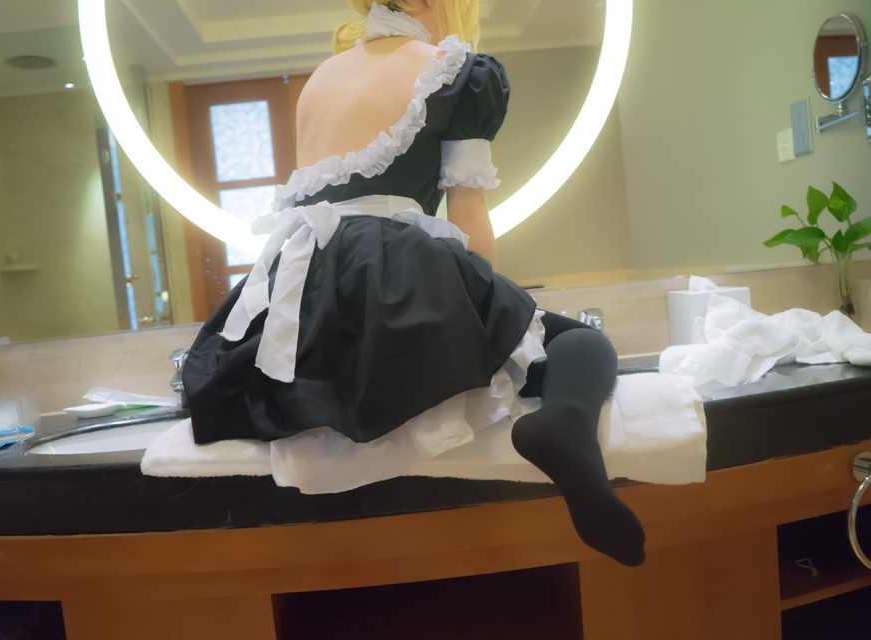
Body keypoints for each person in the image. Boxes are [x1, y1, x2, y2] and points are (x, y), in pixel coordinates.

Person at [182, 0, 645, 566]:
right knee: (581, 342)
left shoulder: (320, 79)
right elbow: (469, 214)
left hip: (297, 289)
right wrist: (495, 316)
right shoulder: (456, 71)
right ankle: (567, 424)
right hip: (392, 271)